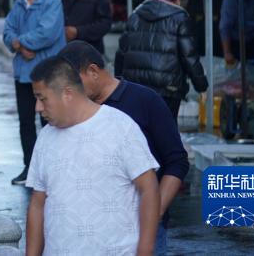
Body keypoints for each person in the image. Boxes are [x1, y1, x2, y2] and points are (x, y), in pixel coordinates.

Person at [58, 41, 188, 253]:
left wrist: (155, 212)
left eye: (73, 83)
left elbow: (177, 161)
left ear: (93, 71)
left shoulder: (145, 101)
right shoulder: (75, 110)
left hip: (141, 226)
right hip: (90, 229)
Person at [25, 56, 160, 256]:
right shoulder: (45, 137)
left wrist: (145, 250)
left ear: (67, 94)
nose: (38, 107)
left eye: (42, 98)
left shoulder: (120, 127)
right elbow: (38, 203)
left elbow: (149, 188)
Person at [2, 0, 65, 185]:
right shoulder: (19, 3)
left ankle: (52, 168)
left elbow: (47, 33)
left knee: (50, 121)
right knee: (26, 122)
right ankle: (30, 167)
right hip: (23, 73)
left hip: (47, 75)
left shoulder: (51, 1)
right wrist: (19, 45)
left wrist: (20, 42)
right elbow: (7, 30)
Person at [115, 0, 208, 118]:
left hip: (135, 88)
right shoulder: (180, 19)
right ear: (178, 0)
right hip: (167, 89)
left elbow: (121, 53)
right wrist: (202, 87)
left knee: (140, 128)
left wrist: (118, 83)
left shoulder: (135, 15)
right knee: (165, 129)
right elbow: (189, 57)